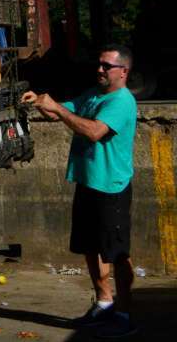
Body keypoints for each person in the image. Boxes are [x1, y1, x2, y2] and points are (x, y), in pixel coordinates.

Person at [21, 45, 138, 338]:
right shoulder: (94, 94)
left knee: (117, 252)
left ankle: (125, 313)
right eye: (99, 64)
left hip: (112, 186)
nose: (99, 69)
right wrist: (43, 102)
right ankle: (104, 302)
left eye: (106, 66)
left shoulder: (122, 102)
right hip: (88, 181)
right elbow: (68, 110)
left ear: (123, 72)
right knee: (90, 246)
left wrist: (58, 108)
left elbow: (94, 132)